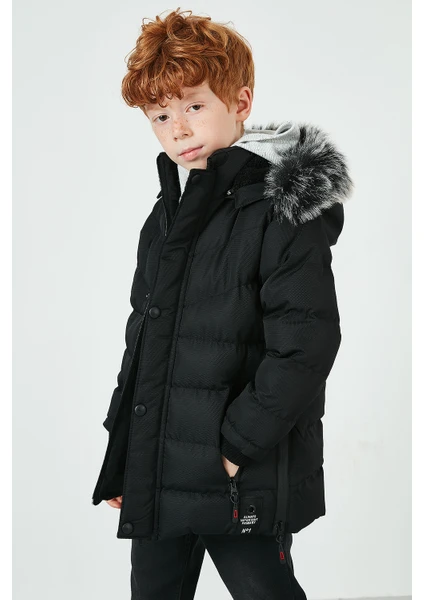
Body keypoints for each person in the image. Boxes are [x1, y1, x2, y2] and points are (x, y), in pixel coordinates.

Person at [91, 7, 354, 599]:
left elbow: (307, 343)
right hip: (163, 468)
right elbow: (143, 342)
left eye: (194, 106)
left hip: (239, 473)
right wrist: (127, 452)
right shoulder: (166, 217)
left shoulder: (280, 208)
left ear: (240, 102)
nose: (178, 130)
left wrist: (234, 449)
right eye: (161, 116)